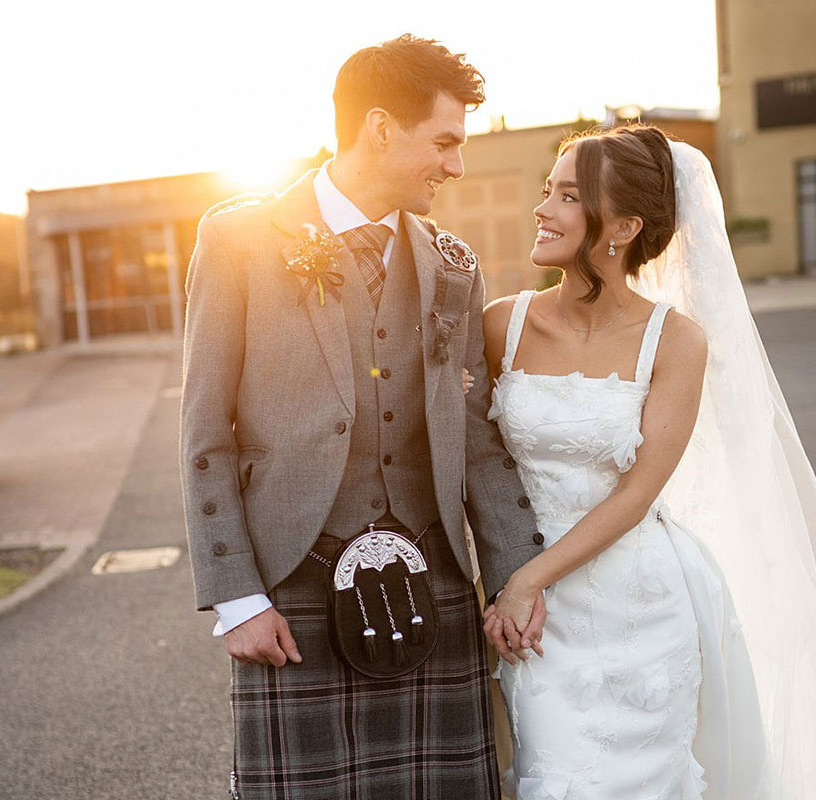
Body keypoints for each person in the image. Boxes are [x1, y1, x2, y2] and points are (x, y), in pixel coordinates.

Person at [179, 35, 545, 800]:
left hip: (436, 578)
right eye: (444, 142)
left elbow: (475, 434)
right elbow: (206, 434)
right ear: (381, 128)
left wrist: (515, 573)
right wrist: (237, 599)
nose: (456, 166)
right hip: (291, 589)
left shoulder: (454, 263)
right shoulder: (238, 239)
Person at [483, 126, 816, 799]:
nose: (542, 209)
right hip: (531, 617)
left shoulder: (675, 341)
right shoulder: (499, 325)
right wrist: (507, 583)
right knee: (551, 780)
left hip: (635, 602)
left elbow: (637, 494)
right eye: (547, 190)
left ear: (623, 226)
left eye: (568, 196)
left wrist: (527, 582)